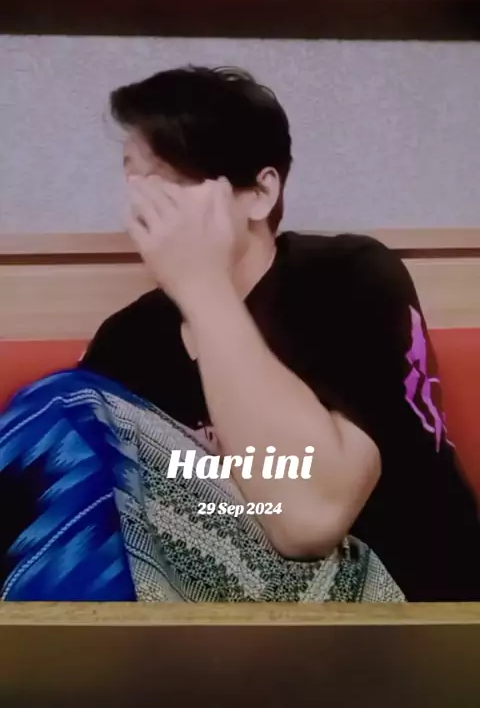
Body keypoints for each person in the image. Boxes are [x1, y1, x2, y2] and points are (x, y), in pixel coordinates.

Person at [80, 65, 480, 602]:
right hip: (207, 626)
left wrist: (202, 286)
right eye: (135, 181)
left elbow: (308, 520)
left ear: (260, 193)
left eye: (172, 180)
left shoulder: (350, 278)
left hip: (409, 611)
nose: (145, 210)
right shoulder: (126, 342)